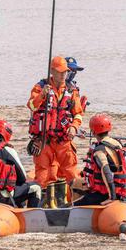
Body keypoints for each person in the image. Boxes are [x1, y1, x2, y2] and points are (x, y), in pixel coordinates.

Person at [27, 55, 86, 191]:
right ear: (52, 71)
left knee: (71, 172)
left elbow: (78, 113)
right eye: (60, 72)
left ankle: (74, 200)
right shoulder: (41, 87)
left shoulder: (72, 90)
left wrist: (74, 127)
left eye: (65, 71)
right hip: (44, 140)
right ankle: (40, 203)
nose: (63, 75)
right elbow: (31, 105)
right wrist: (42, 95)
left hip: (64, 140)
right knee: (42, 174)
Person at [73, 113, 126, 206]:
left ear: (93, 131)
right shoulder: (117, 143)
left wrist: (112, 197)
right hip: (123, 190)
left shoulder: (99, 150)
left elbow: (106, 170)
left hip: (105, 194)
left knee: (73, 205)